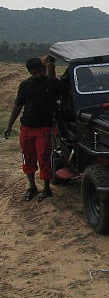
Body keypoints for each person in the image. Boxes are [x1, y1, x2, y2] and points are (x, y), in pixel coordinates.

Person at [5, 57, 64, 202]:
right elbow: (18, 106)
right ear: (30, 72)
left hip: (44, 128)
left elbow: (67, 94)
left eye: (39, 72)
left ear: (43, 69)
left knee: (44, 158)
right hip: (27, 128)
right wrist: (9, 125)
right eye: (34, 73)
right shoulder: (25, 85)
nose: (37, 75)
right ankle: (31, 187)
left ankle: (46, 188)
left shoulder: (53, 83)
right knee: (28, 157)